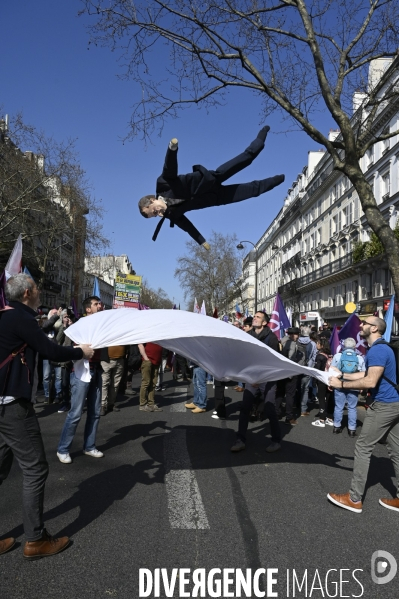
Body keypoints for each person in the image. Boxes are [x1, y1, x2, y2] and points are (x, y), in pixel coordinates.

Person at [0, 274, 93, 558]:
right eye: (37, 289)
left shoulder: (6, 316)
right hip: (14, 406)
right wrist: (81, 351)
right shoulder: (21, 319)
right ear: (28, 292)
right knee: (36, 469)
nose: (40, 292)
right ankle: (36, 539)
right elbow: (51, 350)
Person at [139, 127, 285, 247]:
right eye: (154, 216)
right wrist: (202, 241)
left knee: (246, 159)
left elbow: (169, 168)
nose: (157, 213)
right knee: (252, 191)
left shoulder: (163, 184)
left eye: (153, 211)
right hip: (217, 198)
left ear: (152, 200)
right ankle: (279, 179)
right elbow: (187, 226)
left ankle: (261, 137)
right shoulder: (172, 215)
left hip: (210, 179)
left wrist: (172, 149)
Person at [327, 316, 399, 513]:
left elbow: (370, 382)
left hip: (384, 405)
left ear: (374, 328)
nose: (361, 325)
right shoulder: (380, 349)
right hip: (394, 404)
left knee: (363, 446)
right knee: (396, 450)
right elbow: (366, 374)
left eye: (365, 323)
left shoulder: (377, 350)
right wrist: (341, 375)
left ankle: (354, 498)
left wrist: (340, 384)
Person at [57, 296, 104, 464]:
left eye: (100, 303)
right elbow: (70, 347)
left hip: (96, 369)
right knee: (75, 413)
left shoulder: (102, 325)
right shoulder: (80, 325)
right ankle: (63, 449)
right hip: (81, 371)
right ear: (88, 309)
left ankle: (89, 446)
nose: (100, 306)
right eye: (96, 304)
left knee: (95, 412)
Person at [230, 311, 282, 453]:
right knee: (245, 408)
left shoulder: (271, 338)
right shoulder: (247, 336)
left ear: (264, 323)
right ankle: (240, 439)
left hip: (267, 379)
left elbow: (272, 362)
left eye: (258, 317)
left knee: (270, 409)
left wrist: (261, 378)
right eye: (254, 316)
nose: (254, 318)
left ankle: (276, 440)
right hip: (252, 378)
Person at [330, 337, 366, 436]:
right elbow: (363, 373)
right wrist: (362, 386)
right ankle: (352, 429)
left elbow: (332, 371)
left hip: (339, 384)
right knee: (352, 407)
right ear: (355, 346)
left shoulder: (338, 356)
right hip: (354, 385)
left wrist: (331, 383)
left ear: (344, 345)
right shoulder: (359, 357)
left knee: (339, 406)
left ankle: (337, 427)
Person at [311, 337, 334, 428]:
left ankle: (322, 419)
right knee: (329, 398)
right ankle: (330, 417)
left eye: (318, 343)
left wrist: (314, 381)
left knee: (321, 399)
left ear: (322, 345)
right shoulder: (329, 355)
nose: (316, 345)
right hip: (330, 380)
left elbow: (317, 370)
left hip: (321, 380)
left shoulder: (319, 356)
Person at [100, 345, 127, 416]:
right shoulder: (105, 333)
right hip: (106, 360)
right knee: (104, 383)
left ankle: (111, 404)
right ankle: (103, 405)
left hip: (120, 360)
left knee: (115, 384)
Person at [138, 342, 163, 412]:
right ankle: (142, 404)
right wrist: (146, 358)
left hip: (156, 361)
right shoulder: (147, 332)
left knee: (153, 383)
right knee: (146, 382)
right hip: (148, 360)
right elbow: (140, 344)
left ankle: (151, 404)